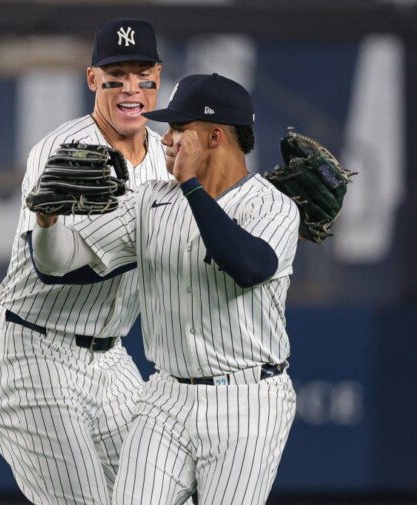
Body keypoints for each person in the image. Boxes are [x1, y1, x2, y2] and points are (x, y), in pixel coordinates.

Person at [31, 73, 300, 505]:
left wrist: (192, 185)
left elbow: (249, 266)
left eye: (179, 128)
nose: (167, 138)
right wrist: (46, 223)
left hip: (248, 400)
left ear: (215, 136)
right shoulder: (150, 200)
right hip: (165, 397)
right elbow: (57, 265)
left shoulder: (271, 205)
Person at [0, 19, 176, 505]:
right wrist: (47, 222)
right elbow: (55, 265)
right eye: (116, 75)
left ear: (158, 77)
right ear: (92, 80)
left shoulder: (170, 156)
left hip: (111, 358)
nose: (130, 88)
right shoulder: (64, 151)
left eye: (141, 74)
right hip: (32, 351)